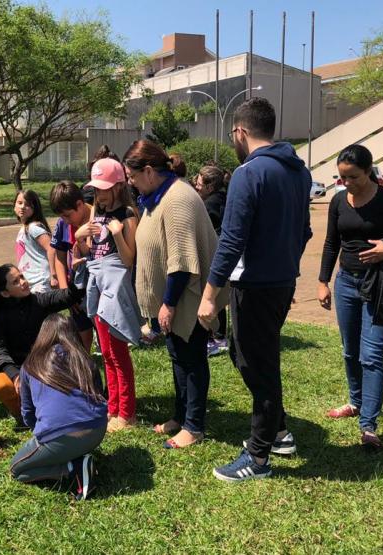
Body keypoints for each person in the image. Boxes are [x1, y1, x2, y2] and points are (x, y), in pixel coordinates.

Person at [198, 97, 312, 482]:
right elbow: (305, 230)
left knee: (259, 366)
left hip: (255, 284)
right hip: (280, 281)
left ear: (240, 132)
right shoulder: (299, 171)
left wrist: (210, 294)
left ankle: (258, 457)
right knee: (249, 357)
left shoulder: (248, 174)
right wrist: (286, 263)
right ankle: (278, 432)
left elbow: (231, 240)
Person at [124, 140, 226, 449]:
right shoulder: (159, 195)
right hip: (174, 298)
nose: (131, 182)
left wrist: (167, 304)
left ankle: (194, 425)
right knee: (178, 357)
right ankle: (181, 416)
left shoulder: (178, 197)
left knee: (192, 359)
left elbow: (182, 262)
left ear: (150, 172)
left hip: (187, 296)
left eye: (133, 176)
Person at [317, 145, 383, 450]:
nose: (347, 183)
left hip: (381, 285)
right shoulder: (337, 201)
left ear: (370, 171)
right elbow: (332, 242)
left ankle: (368, 425)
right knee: (350, 350)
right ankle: (355, 402)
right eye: (342, 177)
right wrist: (323, 281)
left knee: (372, 355)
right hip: (346, 282)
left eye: (353, 177)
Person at [76, 157, 143, 432]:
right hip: (97, 284)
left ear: (117, 186)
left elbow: (128, 260)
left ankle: (126, 413)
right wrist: (80, 237)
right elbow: (89, 250)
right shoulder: (96, 212)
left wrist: (117, 234)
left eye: (104, 188)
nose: (99, 193)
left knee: (118, 353)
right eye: (96, 188)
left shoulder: (127, 215)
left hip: (116, 288)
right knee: (105, 352)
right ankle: (112, 408)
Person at [10, 314, 107, 501]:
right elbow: (99, 394)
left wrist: (42, 436)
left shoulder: (30, 365)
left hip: (58, 436)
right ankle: (77, 459)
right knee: (66, 445)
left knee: (17, 470)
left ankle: (71, 469)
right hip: (97, 430)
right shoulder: (84, 359)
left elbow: (27, 413)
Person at [0, 264, 84, 422]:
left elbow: (69, 296)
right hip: (17, 370)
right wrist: (15, 375)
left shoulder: (39, 301)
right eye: (15, 281)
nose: (23, 282)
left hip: (45, 368)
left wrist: (76, 273)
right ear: (4, 293)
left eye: (22, 277)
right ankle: (19, 413)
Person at [49, 180, 94, 348]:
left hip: (98, 287)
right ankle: (83, 361)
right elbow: (59, 258)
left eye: (67, 215)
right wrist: (65, 293)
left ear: (80, 204)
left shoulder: (97, 218)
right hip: (75, 288)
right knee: (82, 331)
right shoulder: (63, 224)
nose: (65, 220)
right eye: (61, 216)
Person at [194, 164, 231, 356]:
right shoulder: (225, 198)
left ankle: (215, 337)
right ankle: (220, 336)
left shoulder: (208, 205)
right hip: (224, 256)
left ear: (209, 187)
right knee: (219, 295)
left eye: (199, 183)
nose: (196, 186)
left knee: (210, 296)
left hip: (212, 255)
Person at [13, 189, 53, 294]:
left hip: (41, 283)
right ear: (14, 206)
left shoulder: (33, 228)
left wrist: (54, 275)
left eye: (27, 204)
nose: (22, 207)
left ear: (35, 208)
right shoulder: (24, 228)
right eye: (19, 203)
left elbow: (52, 249)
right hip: (31, 284)